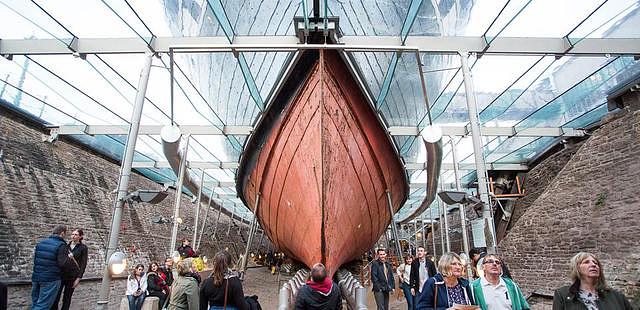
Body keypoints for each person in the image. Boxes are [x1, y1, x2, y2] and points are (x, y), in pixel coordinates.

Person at [552, 252, 633, 310]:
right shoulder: (562, 295)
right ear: (577, 269)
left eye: (596, 263)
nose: (593, 265)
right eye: (586, 262)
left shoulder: (617, 296)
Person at [32, 225, 71, 310]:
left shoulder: (41, 243)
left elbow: (36, 260)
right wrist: (68, 258)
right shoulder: (61, 245)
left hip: (36, 277)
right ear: (62, 233)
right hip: (51, 279)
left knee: (35, 303)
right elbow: (62, 264)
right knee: (43, 306)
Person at [51, 228, 88, 310]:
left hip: (72, 276)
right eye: (72, 234)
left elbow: (83, 264)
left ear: (80, 236)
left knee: (67, 298)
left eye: (76, 235)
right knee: (56, 297)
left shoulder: (83, 248)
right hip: (61, 275)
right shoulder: (65, 246)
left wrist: (78, 278)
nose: (73, 236)